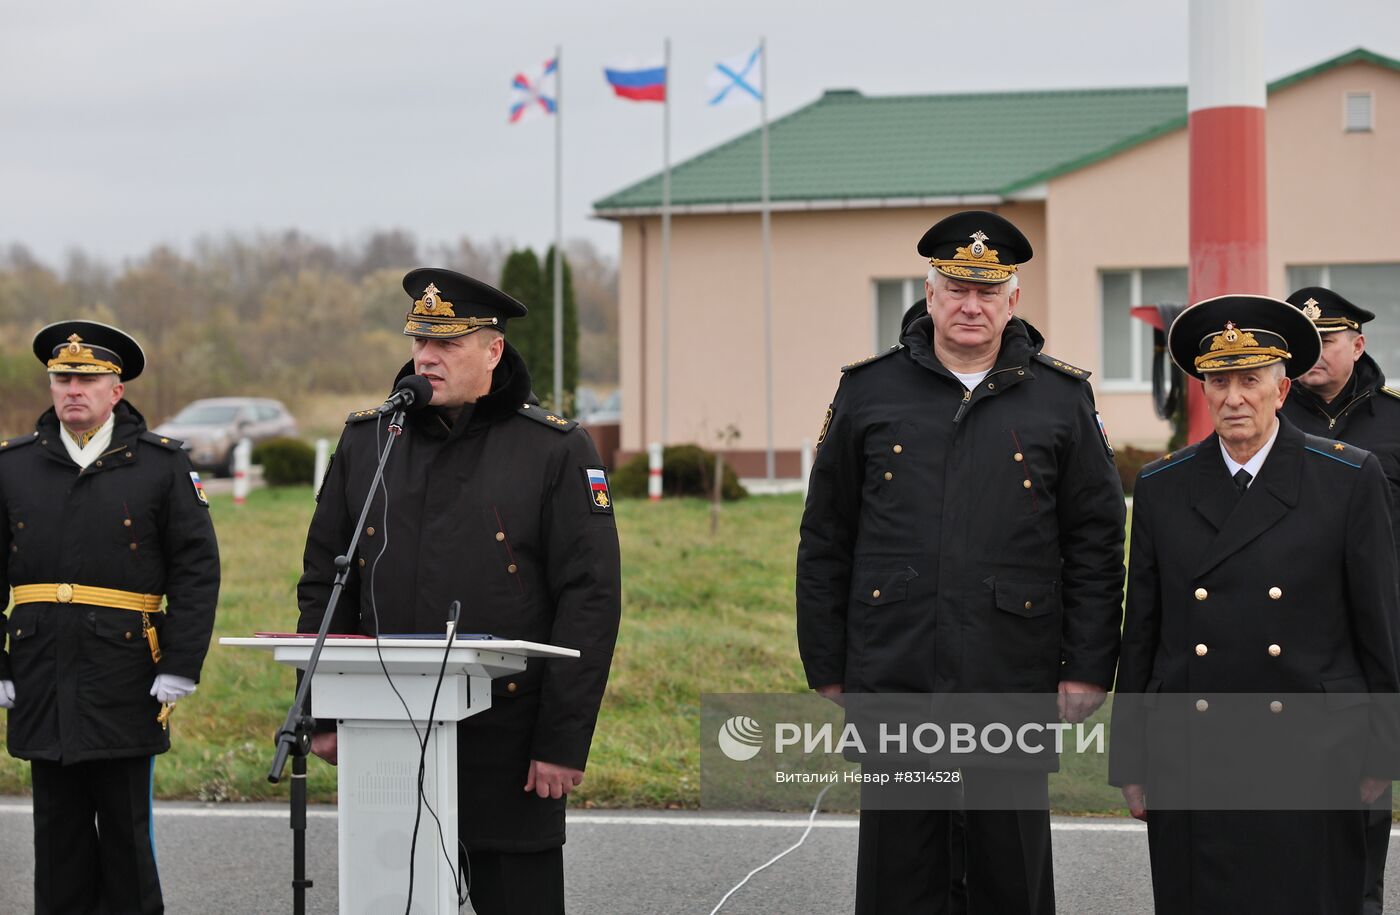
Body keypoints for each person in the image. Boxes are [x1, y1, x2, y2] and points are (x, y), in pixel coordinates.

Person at [797, 211, 1126, 914]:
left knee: (1008, 874)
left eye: (988, 290)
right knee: (899, 875)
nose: (970, 305)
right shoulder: (868, 391)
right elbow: (826, 536)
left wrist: (1088, 664)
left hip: (1011, 671)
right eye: (955, 288)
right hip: (896, 670)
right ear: (929, 292)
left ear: (1013, 299)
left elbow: (1097, 540)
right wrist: (827, 663)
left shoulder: (1061, 398)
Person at [297, 268, 621, 915]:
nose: (426, 356)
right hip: (385, 727)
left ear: (493, 351)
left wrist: (560, 741)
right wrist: (322, 709)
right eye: (421, 340)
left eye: (447, 343)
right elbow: (326, 580)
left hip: (506, 736)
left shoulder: (553, 449)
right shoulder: (370, 442)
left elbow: (590, 598)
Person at [1110, 294, 1400, 913]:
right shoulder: (1164, 487)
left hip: (1315, 749)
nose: (1234, 397)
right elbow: (1144, 632)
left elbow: (1378, 625)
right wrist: (1131, 758)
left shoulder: (1349, 478)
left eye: (1250, 380)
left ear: (1282, 387)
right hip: (1193, 750)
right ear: (1203, 390)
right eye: (1219, 381)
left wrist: (1382, 748)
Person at [0, 320, 220, 914]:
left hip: (126, 670)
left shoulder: (161, 465)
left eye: (87, 379)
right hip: (40, 668)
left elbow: (196, 571)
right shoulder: (13, 466)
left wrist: (181, 662)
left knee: (126, 836)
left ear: (115, 391)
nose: (73, 389)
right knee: (57, 837)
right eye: (62, 377)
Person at [1279, 286, 1400, 914]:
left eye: (1326, 341)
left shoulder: (1396, 420)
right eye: (1302, 342)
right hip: (1285, 630)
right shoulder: (1268, 418)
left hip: (1374, 630)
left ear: (1358, 343)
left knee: (1360, 804)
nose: (1314, 354)